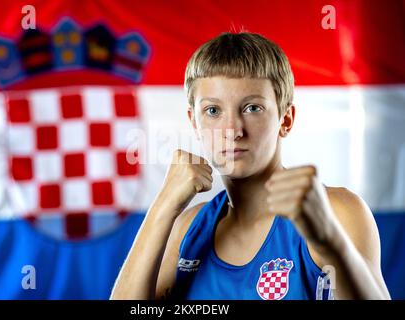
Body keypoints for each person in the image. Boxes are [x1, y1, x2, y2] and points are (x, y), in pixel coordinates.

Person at [110, 32, 391, 300]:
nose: (232, 130)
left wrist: (329, 240)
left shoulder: (337, 211)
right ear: (194, 123)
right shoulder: (187, 229)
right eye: (213, 111)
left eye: (252, 108)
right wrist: (164, 207)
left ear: (286, 119)